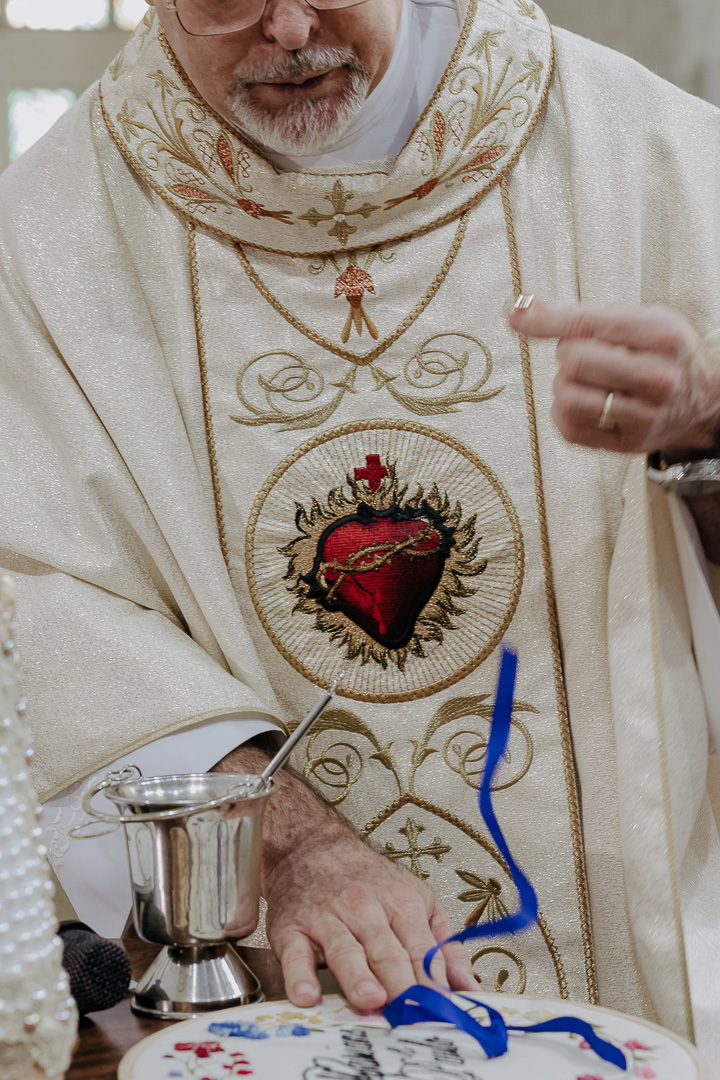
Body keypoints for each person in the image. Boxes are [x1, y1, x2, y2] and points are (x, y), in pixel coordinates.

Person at [1, 0, 719, 1064]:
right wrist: (283, 844)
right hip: (261, 974)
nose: (288, 28)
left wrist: (708, 427)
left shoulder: (660, 158)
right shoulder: (41, 233)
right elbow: (34, 589)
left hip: (653, 961)